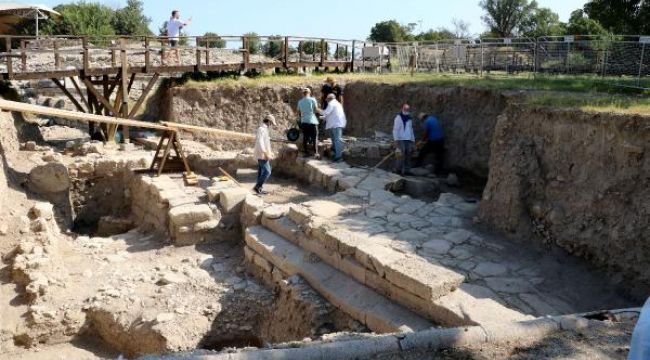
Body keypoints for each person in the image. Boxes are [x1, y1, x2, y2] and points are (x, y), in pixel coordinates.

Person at [253, 114, 276, 195]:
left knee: (261, 171)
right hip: (262, 154)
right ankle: (257, 186)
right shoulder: (261, 129)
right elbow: (260, 142)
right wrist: (265, 153)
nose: (271, 125)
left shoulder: (264, 129)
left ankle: (259, 188)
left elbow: (266, 143)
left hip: (263, 153)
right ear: (269, 121)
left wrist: (270, 152)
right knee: (267, 171)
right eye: (271, 123)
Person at [319, 93, 346, 162]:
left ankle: (338, 157)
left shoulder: (331, 103)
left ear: (329, 99)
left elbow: (326, 112)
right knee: (334, 140)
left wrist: (317, 110)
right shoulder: (336, 104)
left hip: (336, 124)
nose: (326, 100)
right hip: (335, 124)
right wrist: (322, 117)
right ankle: (334, 153)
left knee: (337, 140)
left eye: (327, 99)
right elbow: (330, 114)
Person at [393, 103, 415, 176]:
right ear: (402, 108)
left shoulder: (409, 119)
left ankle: (406, 170)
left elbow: (411, 130)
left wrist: (413, 140)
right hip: (400, 139)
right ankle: (398, 170)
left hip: (408, 139)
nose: (406, 110)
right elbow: (395, 130)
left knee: (408, 155)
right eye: (405, 109)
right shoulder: (398, 118)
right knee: (400, 155)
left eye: (407, 109)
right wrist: (396, 140)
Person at [297, 88, 320, 158]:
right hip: (312, 121)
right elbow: (316, 109)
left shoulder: (300, 102)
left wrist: (302, 117)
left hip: (304, 121)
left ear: (303, 94)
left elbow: (298, 111)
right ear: (309, 93)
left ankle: (306, 153)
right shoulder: (312, 99)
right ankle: (316, 153)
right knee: (314, 137)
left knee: (305, 138)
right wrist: (322, 113)